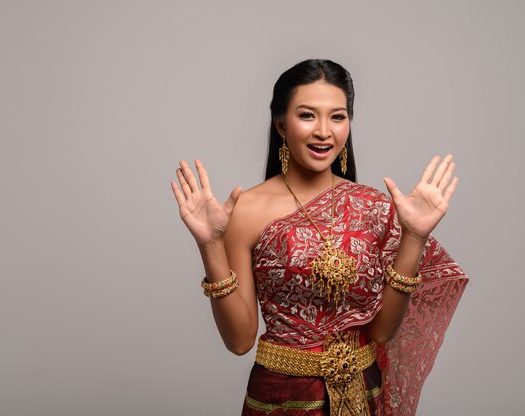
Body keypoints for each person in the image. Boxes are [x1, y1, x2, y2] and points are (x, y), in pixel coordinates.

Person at [171, 59, 468, 416]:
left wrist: (415, 236)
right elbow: (239, 340)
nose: (324, 131)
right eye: (308, 115)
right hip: (283, 400)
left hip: (363, 397)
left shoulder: (372, 206)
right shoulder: (246, 210)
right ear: (281, 125)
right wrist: (209, 244)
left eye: (338, 117)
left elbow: (383, 332)